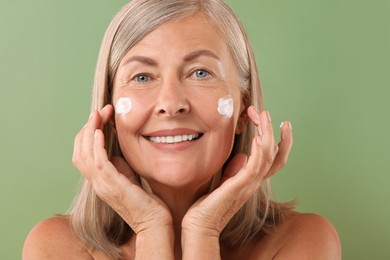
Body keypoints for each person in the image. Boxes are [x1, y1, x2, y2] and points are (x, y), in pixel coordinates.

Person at [23, 0, 341, 259]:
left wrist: (203, 231)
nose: (171, 103)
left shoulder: (303, 242)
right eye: (143, 77)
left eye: (200, 72)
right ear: (110, 113)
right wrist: (150, 228)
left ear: (244, 109)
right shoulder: (55, 248)